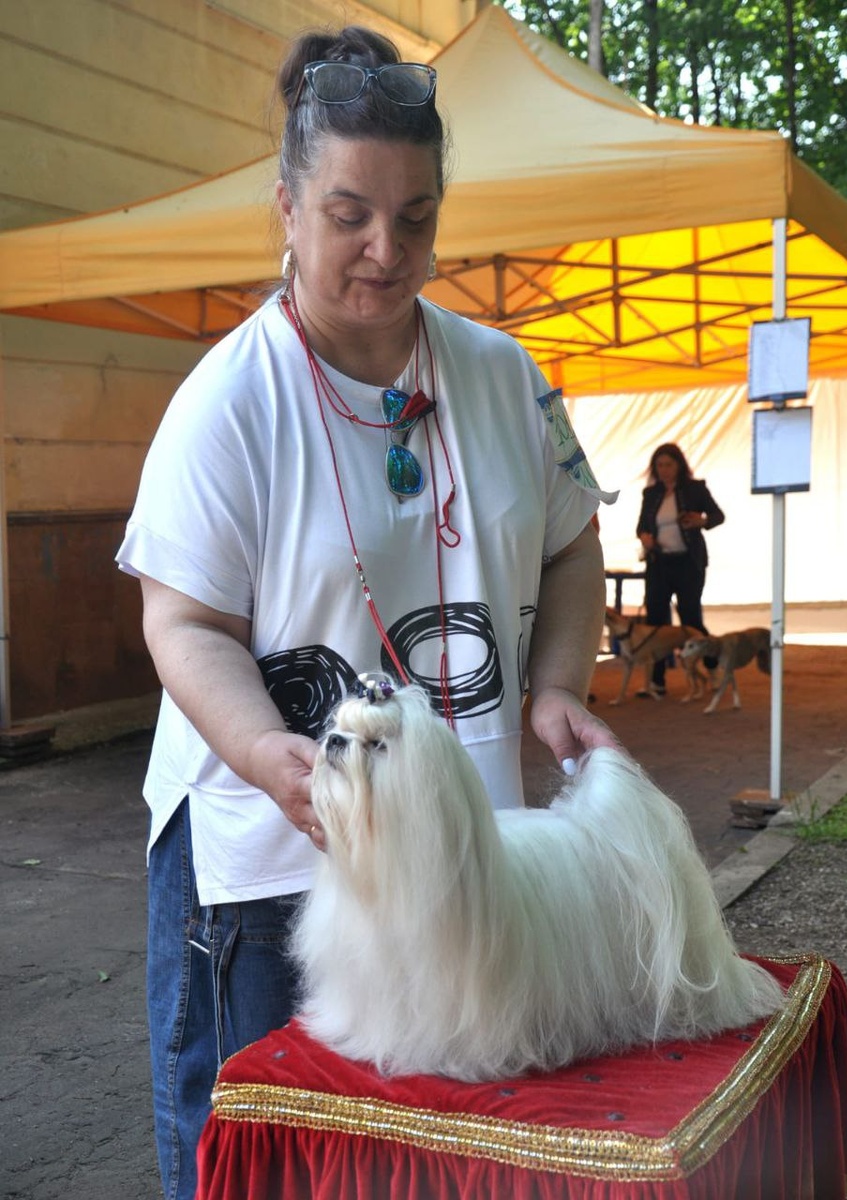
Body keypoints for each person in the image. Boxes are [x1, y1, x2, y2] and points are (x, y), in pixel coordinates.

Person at [116, 25, 616, 1200]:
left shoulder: (506, 377)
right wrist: (264, 752)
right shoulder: (225, 404)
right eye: (349, 215)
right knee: (269, 1170)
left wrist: (556, 683)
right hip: (274, 866)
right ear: (287, 209)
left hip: (462, 857)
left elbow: (574, 544)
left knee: (439, 1161)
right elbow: (182, 625)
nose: (387, 251)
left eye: (416, 217)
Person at [636, 442, 724, 695]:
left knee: (691, 619)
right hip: (659, 563)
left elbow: (718, 516)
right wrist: (644, 537)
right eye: (659, 465)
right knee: (656, 622)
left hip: (688, 563)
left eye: (668, 465)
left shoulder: (695, 489)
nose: (664, 470)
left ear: (679, 465)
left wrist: (701, 521)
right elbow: (641, 526)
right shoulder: (651, 494)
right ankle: (657, 681)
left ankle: (714, 668)